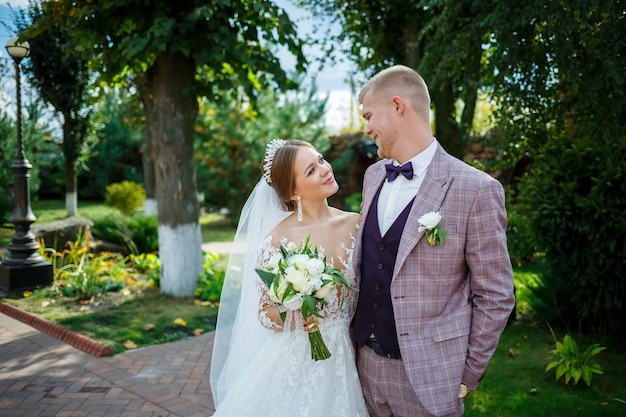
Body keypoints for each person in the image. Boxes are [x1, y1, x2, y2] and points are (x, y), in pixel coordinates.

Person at [351, 64, 515, 417]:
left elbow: (496, 294)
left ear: (397, 106)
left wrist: (468, 375)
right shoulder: (373, 175)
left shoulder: (476, 189)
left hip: (428, 379)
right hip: (363, 367)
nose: (366, 128)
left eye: (368, 115)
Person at [210, 139, 369, 417]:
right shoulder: (276, 241)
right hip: (297, 358)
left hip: (350, 353)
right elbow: (264, 313)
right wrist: (298, 311)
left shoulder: (356, 223)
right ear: (293, 192)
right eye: (310, 170)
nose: (324, 169)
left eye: (320, 159)